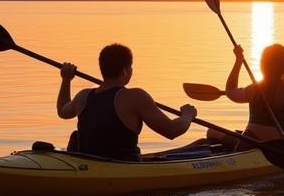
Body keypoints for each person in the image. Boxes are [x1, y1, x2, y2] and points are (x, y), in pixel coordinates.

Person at [57, 43, 196, 161]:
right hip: (124, 168)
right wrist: (187, 115)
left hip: (88, 164)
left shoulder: (83, 96)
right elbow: (171, 131)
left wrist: (66, 80)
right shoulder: (134, 96)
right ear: (125, 71)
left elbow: (62, 111)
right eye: (130, 67)